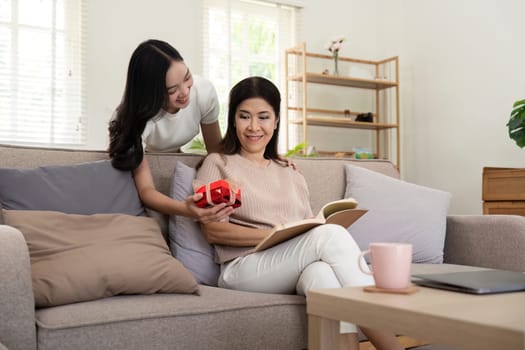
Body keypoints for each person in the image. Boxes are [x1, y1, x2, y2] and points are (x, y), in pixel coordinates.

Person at [195, 76, 403, 350]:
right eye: (244, 116)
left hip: (288, 265)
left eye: (264, 117)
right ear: (233, 120)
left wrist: (308, 228)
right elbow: (213, 230)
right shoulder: (217, 163)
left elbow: (307, 225)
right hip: (242, 268)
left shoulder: (289, 171)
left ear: (277, 121)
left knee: (323, 277)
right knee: (330, 236)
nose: (254, 127)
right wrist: (273, 234)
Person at [108, 39, 231, 222]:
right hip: (143, 161)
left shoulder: (203, 92)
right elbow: (146, 191)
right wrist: (186, 209)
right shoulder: (131, 122)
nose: (185, 92)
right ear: (151, 93)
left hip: (176, 154)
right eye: (173, 89)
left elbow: (217, 153)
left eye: (187, 77)